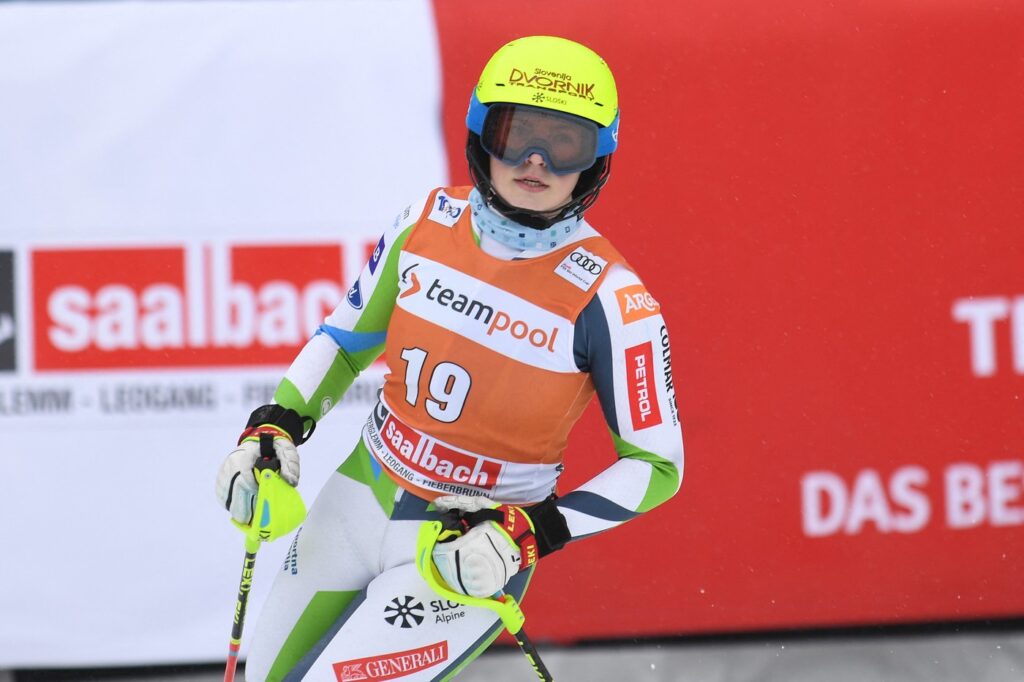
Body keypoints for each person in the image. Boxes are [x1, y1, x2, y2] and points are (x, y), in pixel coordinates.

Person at [215, 35, 684, 681]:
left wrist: (530, 530)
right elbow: (346, 343)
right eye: (516, 135)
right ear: (481, 135)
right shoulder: (424, 221)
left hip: (468, 544)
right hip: (359, 497)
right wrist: (274, 426)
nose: (537, 161)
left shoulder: (612, 298)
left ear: (597, 159)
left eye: (566, 144)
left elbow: (658, 466)